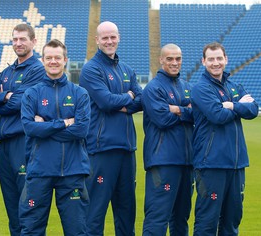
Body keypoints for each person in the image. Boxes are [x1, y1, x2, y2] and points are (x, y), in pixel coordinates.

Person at [19, 39, 91, 235]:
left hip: (72, 172)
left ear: (65, 60)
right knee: (31, 230)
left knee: (77, 230)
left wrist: (45, 126)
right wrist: (64, 123)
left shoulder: (80, 93)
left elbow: (81, 130)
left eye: (57, 58)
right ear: (42, 60)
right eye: (48, 58)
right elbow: (30, 128)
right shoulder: (32, 94)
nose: (53, 61)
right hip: (40, 170)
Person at [79, 21, 143, 235]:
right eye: (104, 37)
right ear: (97, 40)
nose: (109, 41)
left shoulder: (126, 69)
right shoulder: (91, 69)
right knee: (94, 214)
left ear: (119, 37)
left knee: (126, 213)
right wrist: (128, 97)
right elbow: (106, 102)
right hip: (101, 150)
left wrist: (124, 103)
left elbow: (141, 100)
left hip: (126, 150)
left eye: (112, 36)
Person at [191, 42, 259, 235]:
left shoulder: (234, 86)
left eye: (219, 58)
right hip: (211, 165)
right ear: (203, 61)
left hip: (237, 165)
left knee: (232, 221)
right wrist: (238, 106)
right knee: (207, 222)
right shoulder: (200, 88)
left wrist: (230, 105)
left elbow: (253, 109)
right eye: (211, 59)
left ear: (226, 59)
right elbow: (217, 116)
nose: (215, 63)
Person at [0, 23, 45, 235]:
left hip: (24, 142)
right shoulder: (8, 70)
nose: (18, 43)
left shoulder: (37, 69)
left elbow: (20, 103)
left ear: (33, 42)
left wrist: (5, 97)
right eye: (15, 39)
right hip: (4, 144)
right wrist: (6, 95)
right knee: (11, 203)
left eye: (23, 39)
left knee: (27, 203)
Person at [141, 43, 194, 235]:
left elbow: (198, 113)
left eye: (178, 58)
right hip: (163, 161)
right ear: (161, 59)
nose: (174, 62)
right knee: (158, 218)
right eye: (170, 58)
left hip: (187, 162)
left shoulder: (187, 87)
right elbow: (162, 119)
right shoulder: (153, 88)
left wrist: (176, 109)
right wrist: (185, 110)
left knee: (181, 219)